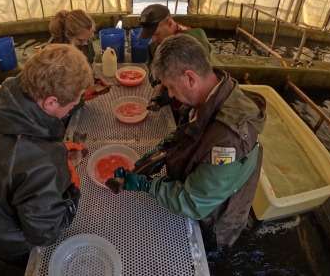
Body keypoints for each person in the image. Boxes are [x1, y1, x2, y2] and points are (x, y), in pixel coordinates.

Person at [110, 34, 266, 251]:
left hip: (212, 223)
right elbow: (191, 134)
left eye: (171, 87)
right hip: (201, 192)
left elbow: (192, 203)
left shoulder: (228, 140)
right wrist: (162, 150)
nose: (171, 95)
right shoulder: (209, 96)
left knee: (207, 254)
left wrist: (147, 185)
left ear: (190, 77)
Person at [0, 44, 93, 268]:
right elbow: (44, 233)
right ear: (50, 102)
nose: (76, 104)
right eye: (73, 102)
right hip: (4, 237)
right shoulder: (41, 162)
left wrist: (52, 144)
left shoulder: (6, 101)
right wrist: (73, 190)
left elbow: (14, 153)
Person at [137, 4, 212, 118]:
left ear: (170, 23)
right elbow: (152, 70)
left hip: (192, 105)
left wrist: (166, 96)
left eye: (156, 34)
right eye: (151, 35)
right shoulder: (154, 44)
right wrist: (157, 85)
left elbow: (199, 81)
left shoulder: (194, 42)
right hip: (171, 102)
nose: (153, 39)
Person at [49, 9, 110, 127]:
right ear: (67, 34)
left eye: (89, 38)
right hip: (61, 112)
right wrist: (82, 98)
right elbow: (56, 97)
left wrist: (94, 79)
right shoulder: (55, 57)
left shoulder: (84, 41)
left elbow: (86, 65)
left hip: (76, 100)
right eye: (82, 40)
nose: (86, 43)